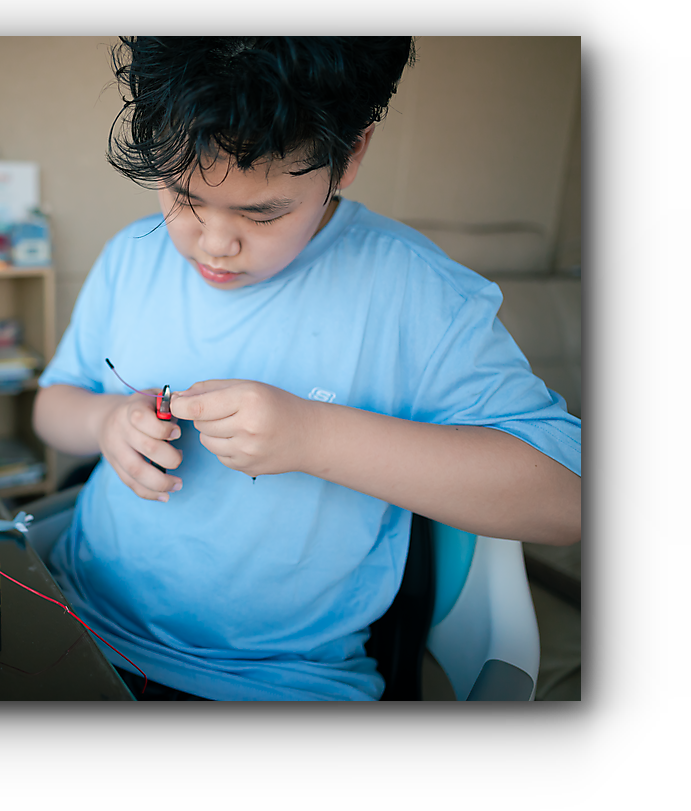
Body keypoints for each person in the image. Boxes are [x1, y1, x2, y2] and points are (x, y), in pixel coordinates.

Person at [32, 37, 581, 700]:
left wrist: (313, 436)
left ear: (351, 154)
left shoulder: (416, 292)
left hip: (281, 681)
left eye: (262, 213)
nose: (214, 243)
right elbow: (52, 406)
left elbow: (565, 497)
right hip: (77, 625)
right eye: (183, 197)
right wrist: (104, 421)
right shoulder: (131, 258)